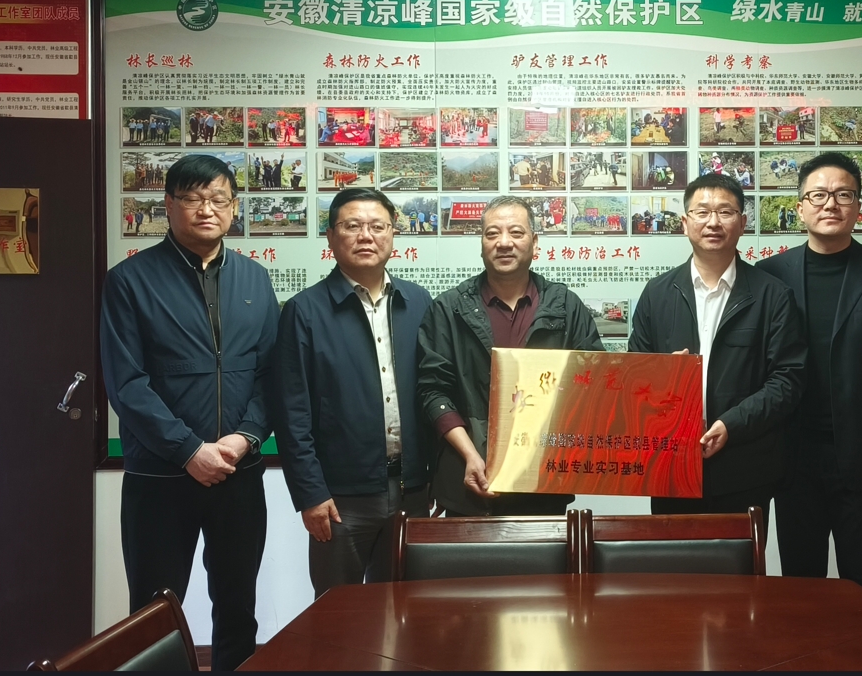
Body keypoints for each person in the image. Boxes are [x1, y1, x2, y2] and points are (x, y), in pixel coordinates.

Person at [98, 154, 278, 671]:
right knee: (154, 613)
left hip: (238, 473)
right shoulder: (130, 281)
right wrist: (189, 450)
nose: (206, 210)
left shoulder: (255, 279)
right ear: (168, 204)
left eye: (218, 199)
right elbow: (127, 383)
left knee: (238, 607)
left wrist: (245, 437)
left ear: (234, 207)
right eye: (193, 198)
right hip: (161, 477)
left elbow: (271, 374)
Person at [757, 153, 862, 601]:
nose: (830, 204)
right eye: (818, 195)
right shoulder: (770, 275)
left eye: (843, 195)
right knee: (799, 588)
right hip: (792, 460)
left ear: (858, 207)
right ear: (800, 207)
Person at [271, 188, 433, 598]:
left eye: (377, 226)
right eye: (352, 226)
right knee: (337, 611)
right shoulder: (304, 311)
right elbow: (291, 412)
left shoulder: (417, 302)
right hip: (341, 498)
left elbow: (434, 390)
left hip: (412, 490)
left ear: (393, 235)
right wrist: (310, 493)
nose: (366, 236)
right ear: (330, 236)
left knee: (405, 608)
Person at [628, 173, 804, 514]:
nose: (713, 222)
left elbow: (787, 380)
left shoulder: (772, 294)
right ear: (685, 223)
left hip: (744, 466)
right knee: (673, 550)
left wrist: (731, 425)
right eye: (702, 212)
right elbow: (634, 374)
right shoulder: (657, 293)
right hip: (671, 464)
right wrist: (663, 375)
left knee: (740, 551)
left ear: (742, 223)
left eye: (725, 212)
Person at [418, 195, 604, 516]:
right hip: (467, 481)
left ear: (535, 242)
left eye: (516, 233)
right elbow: (433, 391)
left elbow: (595, 383)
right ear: (481, 244)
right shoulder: (448, 309)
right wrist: (470, 455)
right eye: (492, 233)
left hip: (544, 483)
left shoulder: (565, 306)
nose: (504, 243)